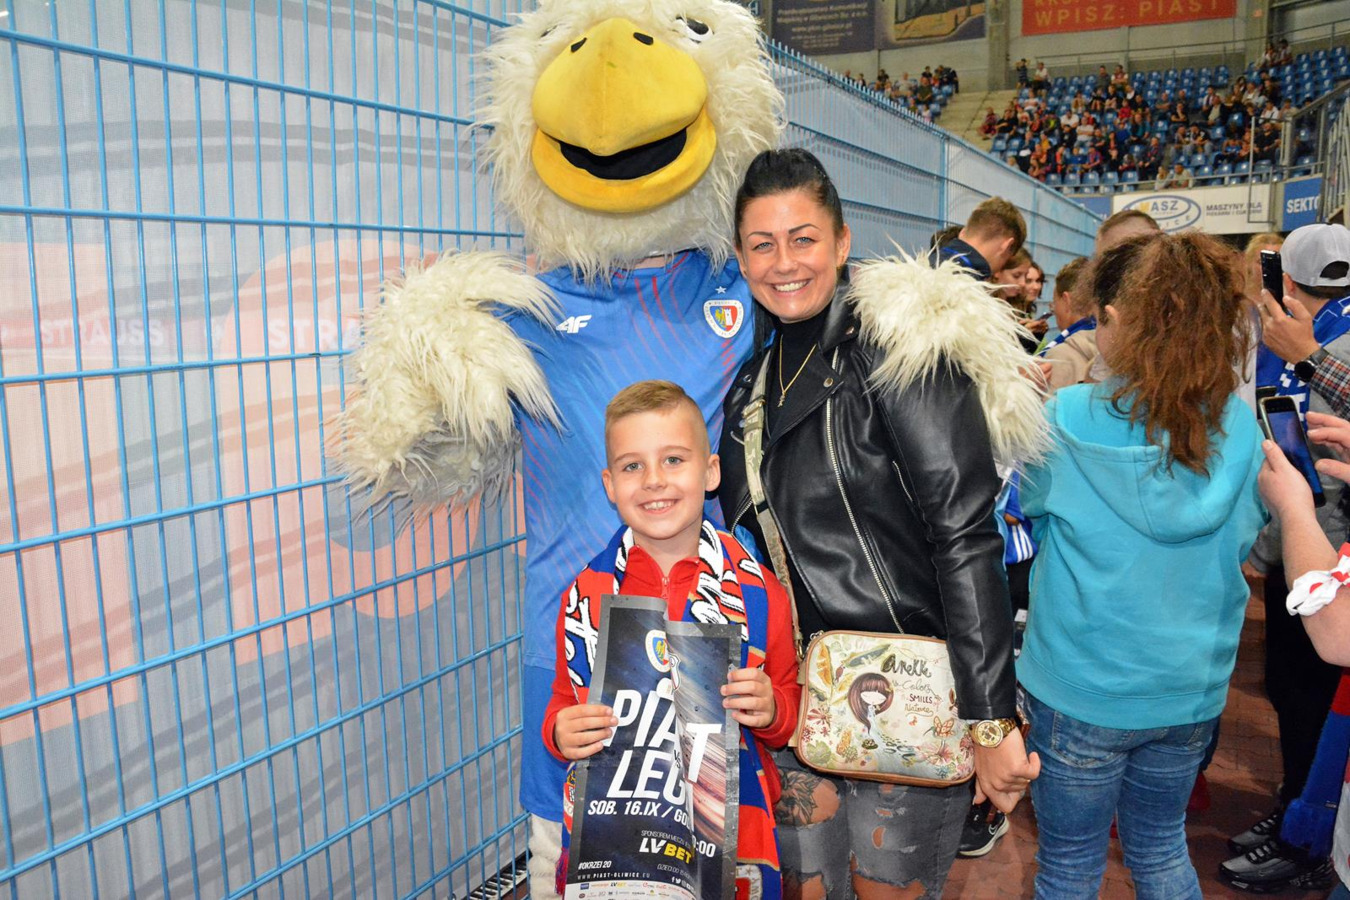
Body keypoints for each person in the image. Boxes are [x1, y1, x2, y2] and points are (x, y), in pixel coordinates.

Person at [719, 148, 1040, 899]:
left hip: (913, 695)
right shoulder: (749, 386)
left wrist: (991, 719)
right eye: (762, 244)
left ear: (841, 241)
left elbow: (965, 532)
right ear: (741, 257)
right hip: (798, 703)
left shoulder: (901, 345)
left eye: (803, 238)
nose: (784, 262)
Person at [1018, 231, 1267, 900]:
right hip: (1190, 687)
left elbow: (1030, 512)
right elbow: (1247, 534)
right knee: (1160, 848)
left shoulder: (1063, 417)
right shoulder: (1239, 425)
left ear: (1116, 320)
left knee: (1068, 866)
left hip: (1079, 684)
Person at [543, 380, 800, 899]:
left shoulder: (759, 594)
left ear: (711, 472)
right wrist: (560, 732)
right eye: (632, 466)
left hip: (733, 833)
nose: (654, 481)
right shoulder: (584, 598)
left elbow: (789, 708)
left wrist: (771, 709)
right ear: (610, 484)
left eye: (674, 460)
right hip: (618, 835)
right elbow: (563, 702)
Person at [1229, 223, 1350, 893]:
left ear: (1288, 282)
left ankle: (1308, 839)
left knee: (1311, 696)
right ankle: (1298, 811)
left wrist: (1309, 358)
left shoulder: (1315, 345)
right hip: (1302, 543)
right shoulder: (1294, 338)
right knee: (1296, 694)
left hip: (1326, 552)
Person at [1038, 257, 1094, 393]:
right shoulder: (1116, 348)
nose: (1054, 310)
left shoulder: (1058, 358)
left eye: (1054, 303)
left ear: (1066, 300)